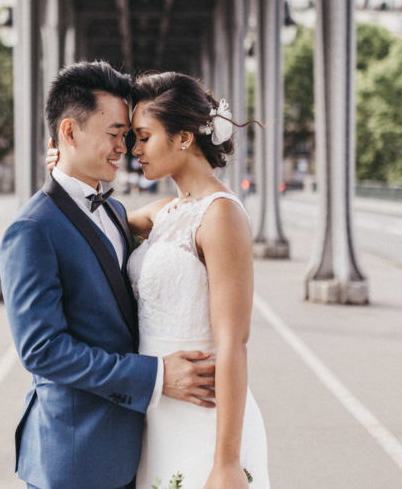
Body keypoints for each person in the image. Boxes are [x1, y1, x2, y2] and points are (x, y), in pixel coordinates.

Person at [0, 61, 217, 489]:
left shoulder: (115, 212)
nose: (125, 148)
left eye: (130, 136)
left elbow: (179, 218)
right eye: (114, 134)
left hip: (136, 445)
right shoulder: (31, 229)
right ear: (69, 132)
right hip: (75, 455)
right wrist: (154, 375)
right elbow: (42, 350)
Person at [47, 71, 271, 488]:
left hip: (204, 417)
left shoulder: (220, 215)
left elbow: (233, 343)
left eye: (143, 137)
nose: (133, 150)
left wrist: (226, 461)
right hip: (155, 414)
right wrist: (66, 168)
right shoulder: (164, 212)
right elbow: (91, 224)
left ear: (184, 137)